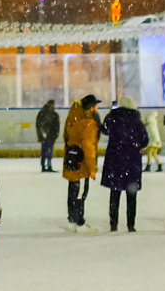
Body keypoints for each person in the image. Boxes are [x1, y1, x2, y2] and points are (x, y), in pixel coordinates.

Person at [100, 99, 148, 232]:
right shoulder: (137, 121)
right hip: (132, 161)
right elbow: (145, 140)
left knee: (115, 193)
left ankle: (113, 223)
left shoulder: (113, 118)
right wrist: (135, 146)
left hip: (115, 160)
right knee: (131, 194)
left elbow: (104, 129)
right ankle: (131, 224)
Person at [60, 94, 100, 232]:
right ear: (91, 107)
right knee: (81, 193)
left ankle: (71, 220)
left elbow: (66, 135)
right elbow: (89, 148)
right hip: (82, 164)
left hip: (72, 159)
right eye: (95, 106)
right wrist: (92, 168)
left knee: (72, 190)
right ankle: (79, 222)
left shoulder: (72, 117)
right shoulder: (88, 123)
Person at [34, 99, 61, 173]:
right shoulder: (54, 115)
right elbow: (56, 127)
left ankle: (43, 166)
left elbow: (38, 125)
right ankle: (48, 166)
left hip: (44, 137)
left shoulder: (42, 113)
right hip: (50, 137)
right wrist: (55, 135)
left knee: (44, 151)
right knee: (49, 151)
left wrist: (41, 135)